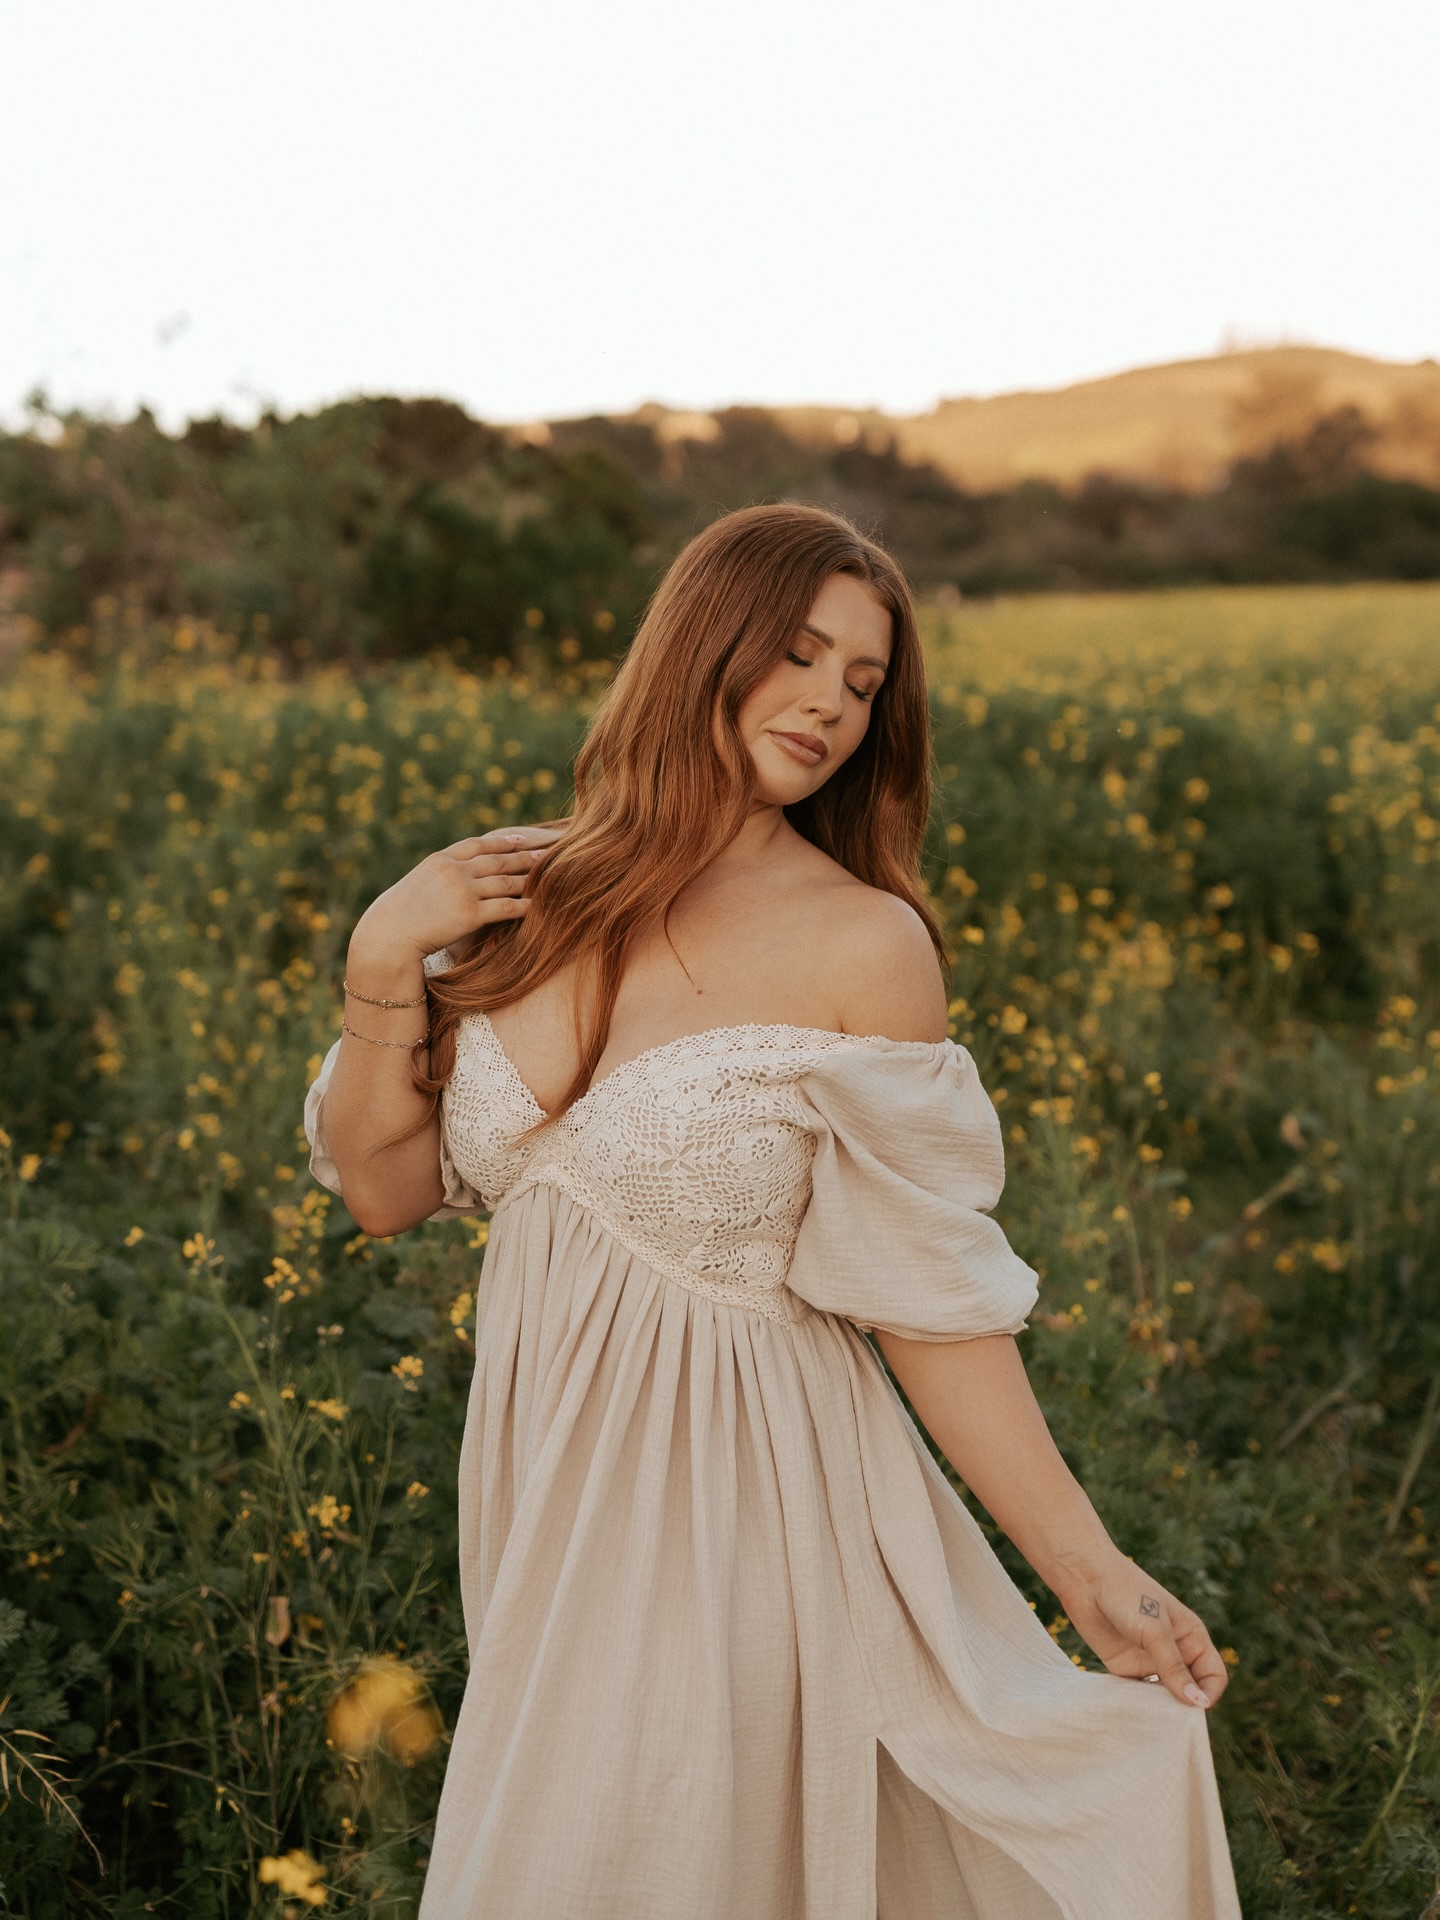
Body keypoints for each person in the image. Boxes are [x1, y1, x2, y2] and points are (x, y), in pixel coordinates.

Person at [304, 504, 1241, 1919]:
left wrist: (1091, 1576)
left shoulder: (865, 943)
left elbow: (928, 1305)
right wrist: (387, 953)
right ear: (703, 644)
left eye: (864, 684)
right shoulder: (513, 896)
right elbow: (381, 1189)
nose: (830, 703)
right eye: (800, 654)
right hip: (550, 1502)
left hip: (753, 1498)